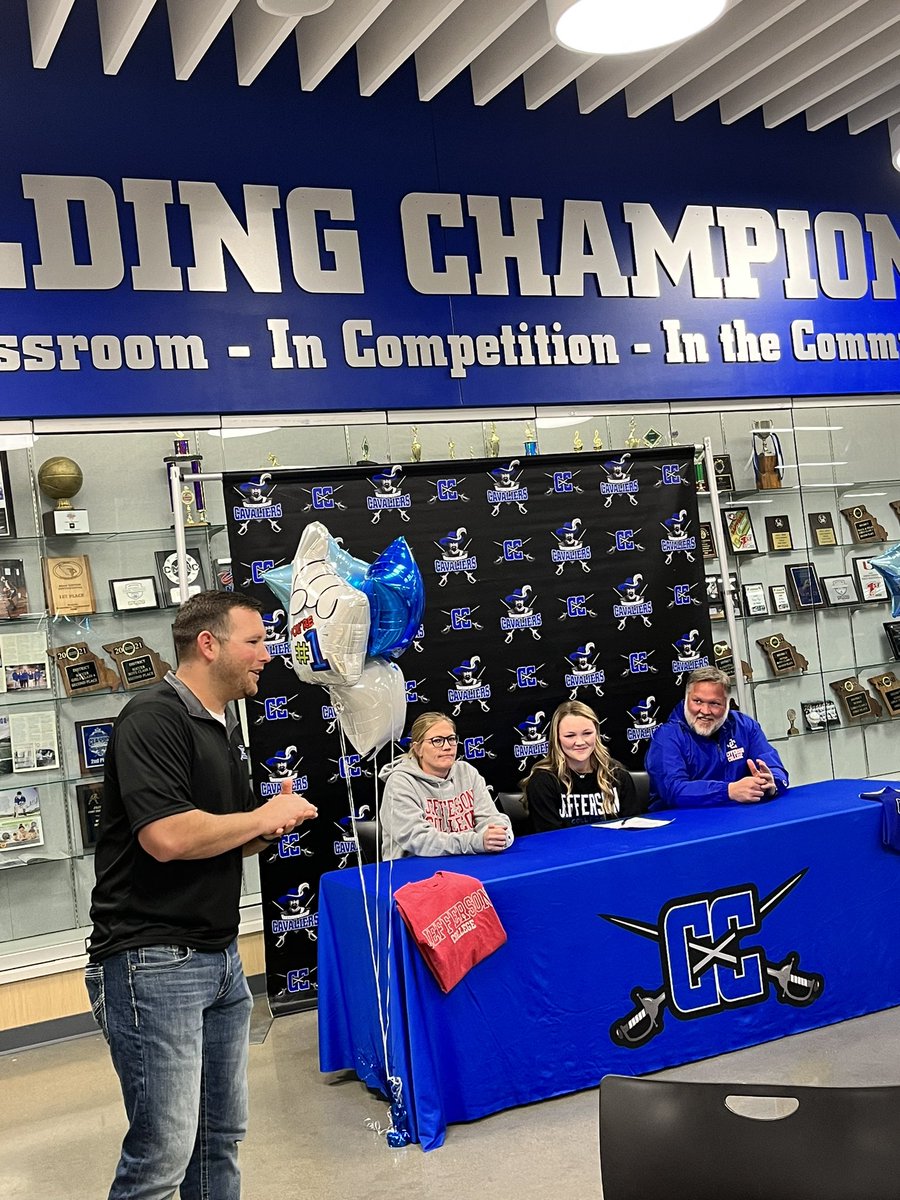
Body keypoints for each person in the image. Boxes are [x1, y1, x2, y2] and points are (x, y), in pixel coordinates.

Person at [85, 590, 318, 1200]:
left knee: (218, 1140)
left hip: (217, 960)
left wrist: (267, 826)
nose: (268, 654)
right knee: (163, 1153)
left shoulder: (221, 727)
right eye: (256, 641)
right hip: (153, 960)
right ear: (208, 645)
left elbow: (219, 837)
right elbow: (167, 836)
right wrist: (262, 814)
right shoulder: (154, 718)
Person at [646, 665, 788, 808]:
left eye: (714, 703)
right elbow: (674, 790)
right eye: (698, 701)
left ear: (727, 704)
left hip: (738, 817)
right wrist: (729, 791)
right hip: (683, 823)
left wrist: (771, 783)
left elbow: (774, 768)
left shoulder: (745, 726)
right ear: (686, 699)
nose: (705, 711)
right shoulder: (667, 737)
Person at [381, 711, 513, 859]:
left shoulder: (467, 772)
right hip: (414, 870)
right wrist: (477, 842)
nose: (447, 746)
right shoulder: (400, 782)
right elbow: (418, 840)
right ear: (418, 749)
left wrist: (500, 835)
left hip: (467, 860)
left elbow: (491, 817)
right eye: (437, 741)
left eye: (451, 739)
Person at [523, 700, 640, 832]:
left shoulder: (617, 775)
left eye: (587, 733)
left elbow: (633, 830)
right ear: (557, 738)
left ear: (596, 733)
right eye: (570, 735)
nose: (580, 742)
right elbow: (550, 841)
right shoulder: (543, 782)